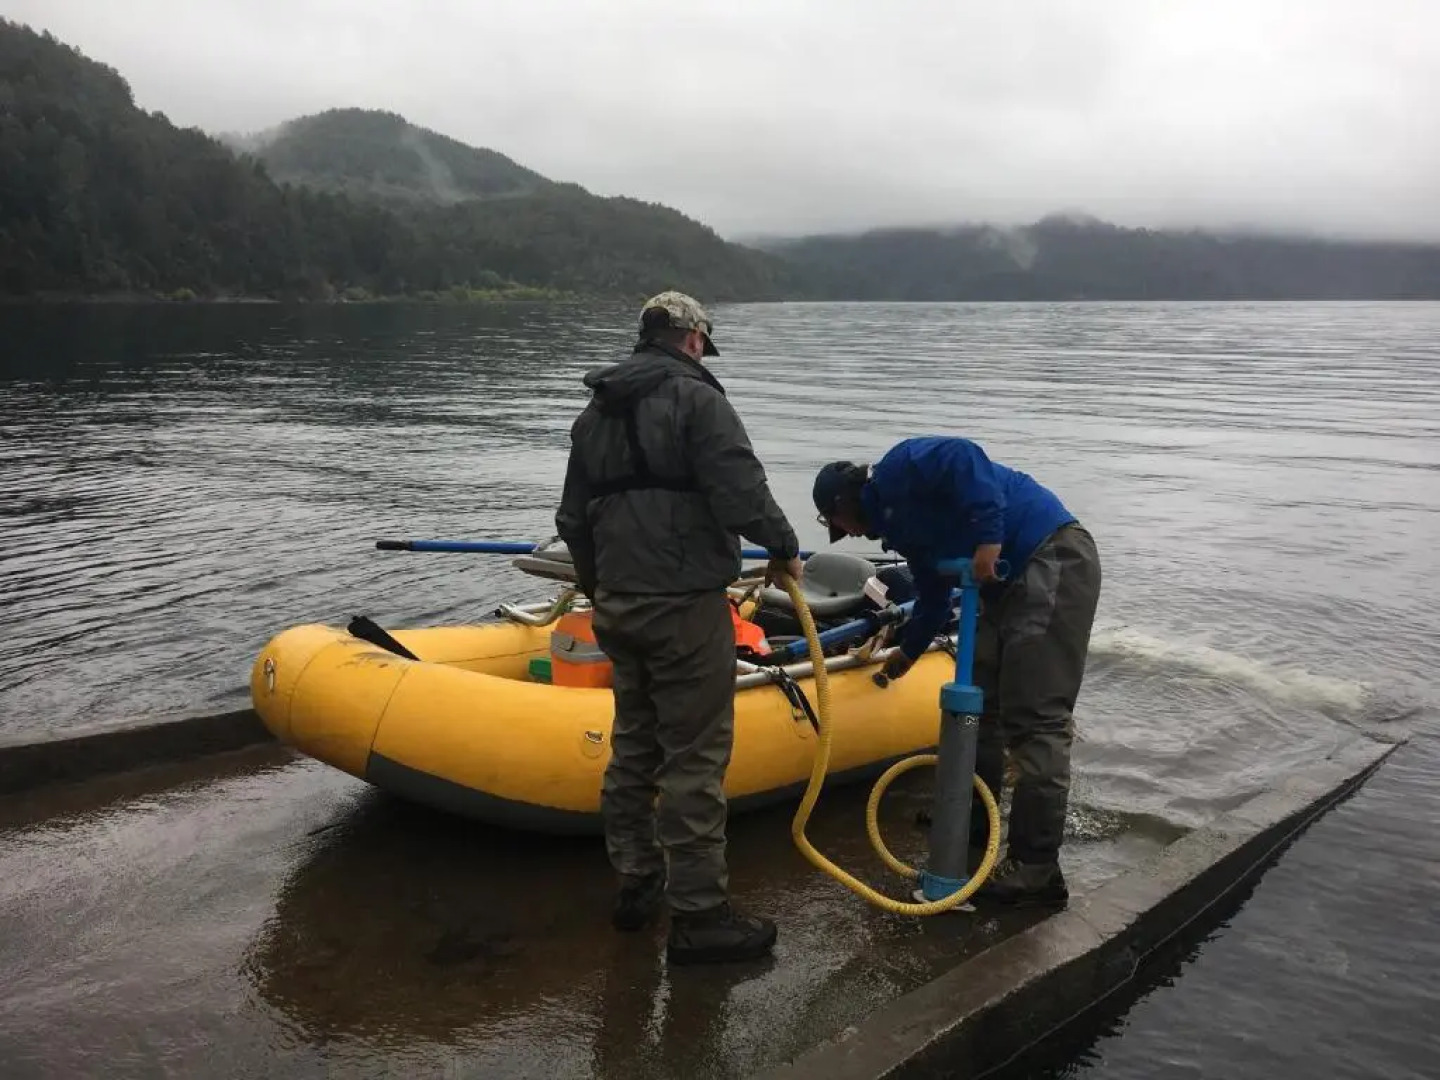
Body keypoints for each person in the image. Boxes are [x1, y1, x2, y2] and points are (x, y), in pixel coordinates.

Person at [555, 290, 803, 964]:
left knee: (635, 746)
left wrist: (600, 586)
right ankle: (700, 918)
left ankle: (636, 882)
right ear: (692, 339)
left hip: (620, 606)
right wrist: (783, 547)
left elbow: (572, 519)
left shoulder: (593, 413)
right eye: (703, 342)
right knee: (694, 758)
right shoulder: (700, 401)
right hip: (685, 604)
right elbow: (740, 491)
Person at [811, 437, 1100, 909]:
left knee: (1036, 722)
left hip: (1049, 556)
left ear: (843, 502)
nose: (849, 535)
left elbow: (966, 458)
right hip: (1002, 586)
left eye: (837, 523)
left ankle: (1035, 869)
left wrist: (988, 538)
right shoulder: (902, 529)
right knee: (982, 712)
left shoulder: (901, 468)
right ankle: (969, 821)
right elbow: (931, 596)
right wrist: (908, 651)